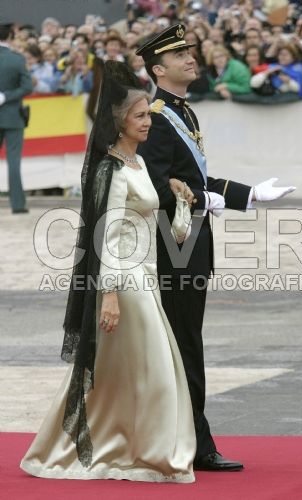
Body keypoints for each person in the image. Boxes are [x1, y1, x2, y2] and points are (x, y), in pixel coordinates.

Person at [20, 60, 196, 482]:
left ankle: (122, 444)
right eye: (139, 116)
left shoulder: (136, 165)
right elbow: (106, 238)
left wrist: (179, 197)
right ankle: (151, 454)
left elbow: (159, 227)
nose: (147, 121)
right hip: (125, 282)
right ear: (118, 122)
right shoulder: (112, 170)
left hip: (145, 277)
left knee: (120, 374)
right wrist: (111, 294)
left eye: (147, 114)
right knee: (153, 371)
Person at [137, 23, 295, 472]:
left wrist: (249, 195)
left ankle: (190, 437)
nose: (191, 58)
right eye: (179, 55)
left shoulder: (183, 112)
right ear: (157, 68)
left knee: (189, 339)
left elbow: (197, 178)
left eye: (190, 51)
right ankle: (193, 444)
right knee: (183, 341)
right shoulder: (157, 116)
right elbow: (156, 188)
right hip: (173, 241)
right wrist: (203, 198)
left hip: (192, 238)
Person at [0, 22, 32, 214]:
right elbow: (27, 87)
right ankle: (18, 205)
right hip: (12, 116)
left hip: (11, 115)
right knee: (13, 161)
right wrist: (6, 96)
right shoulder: (17, 59)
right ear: (10, 38)